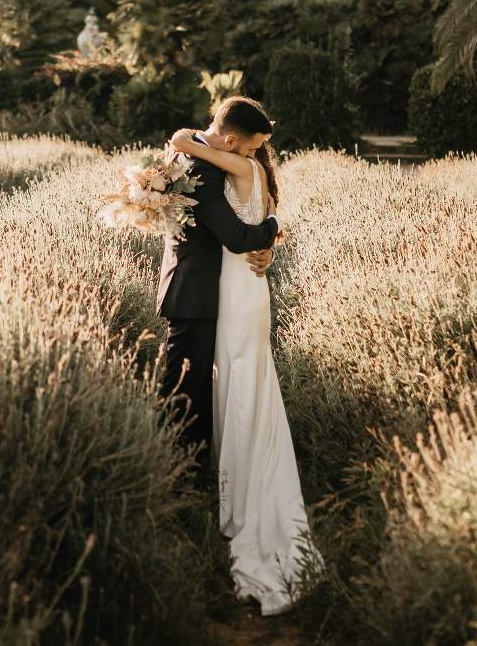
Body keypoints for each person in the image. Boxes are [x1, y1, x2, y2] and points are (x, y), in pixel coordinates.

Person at [164, 97, 321, 617]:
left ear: (234, 143)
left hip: (233, 289)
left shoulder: (237, 162)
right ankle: (227, 482)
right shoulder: (247, 164)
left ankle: (230, 493)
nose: (255, 150)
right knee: (237, 379)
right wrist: (272, 233)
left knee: (236, 378)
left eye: (252, 146)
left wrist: (188, 141)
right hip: (234, 290)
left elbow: (237, 230)